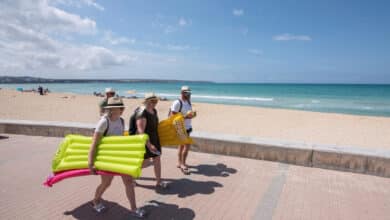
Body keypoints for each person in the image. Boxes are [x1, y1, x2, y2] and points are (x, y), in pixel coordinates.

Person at [88, 97, 146, 218]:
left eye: (121, 107)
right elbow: (94, 143)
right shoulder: (104, 122)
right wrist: (91, 163)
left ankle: (134, 208)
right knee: (106, 183)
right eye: (118, 107)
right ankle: (96, 200)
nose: (121, 109)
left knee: (129, 182)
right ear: (111, 109)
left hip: (119, 158)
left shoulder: (121, 120)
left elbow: (120, 140)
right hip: (106, 159)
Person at [129, 93, 168, 189]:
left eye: (156, 101)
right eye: (152, 101)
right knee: (144, 162)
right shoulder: (142, 113)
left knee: (157, 159)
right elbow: (141, 131)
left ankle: (158, 181)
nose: (155, 102)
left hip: (154, 138)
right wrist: (149, 145)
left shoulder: (154, 110)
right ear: (146, 101)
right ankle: (131, 176)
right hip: (144, 141)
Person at [170, 86, 195, 175]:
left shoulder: (188, 102)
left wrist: (192, 115)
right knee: (187, 146)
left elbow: (188, 113)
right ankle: (183, 164)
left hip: (187, 127)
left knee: (181, 146)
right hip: (180, 128)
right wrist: (186, 116)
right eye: (186, 93)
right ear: (182, 93)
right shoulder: (177, 102)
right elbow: (173, 117)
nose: (188, 94)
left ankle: (179, 162)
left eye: (189, 93)